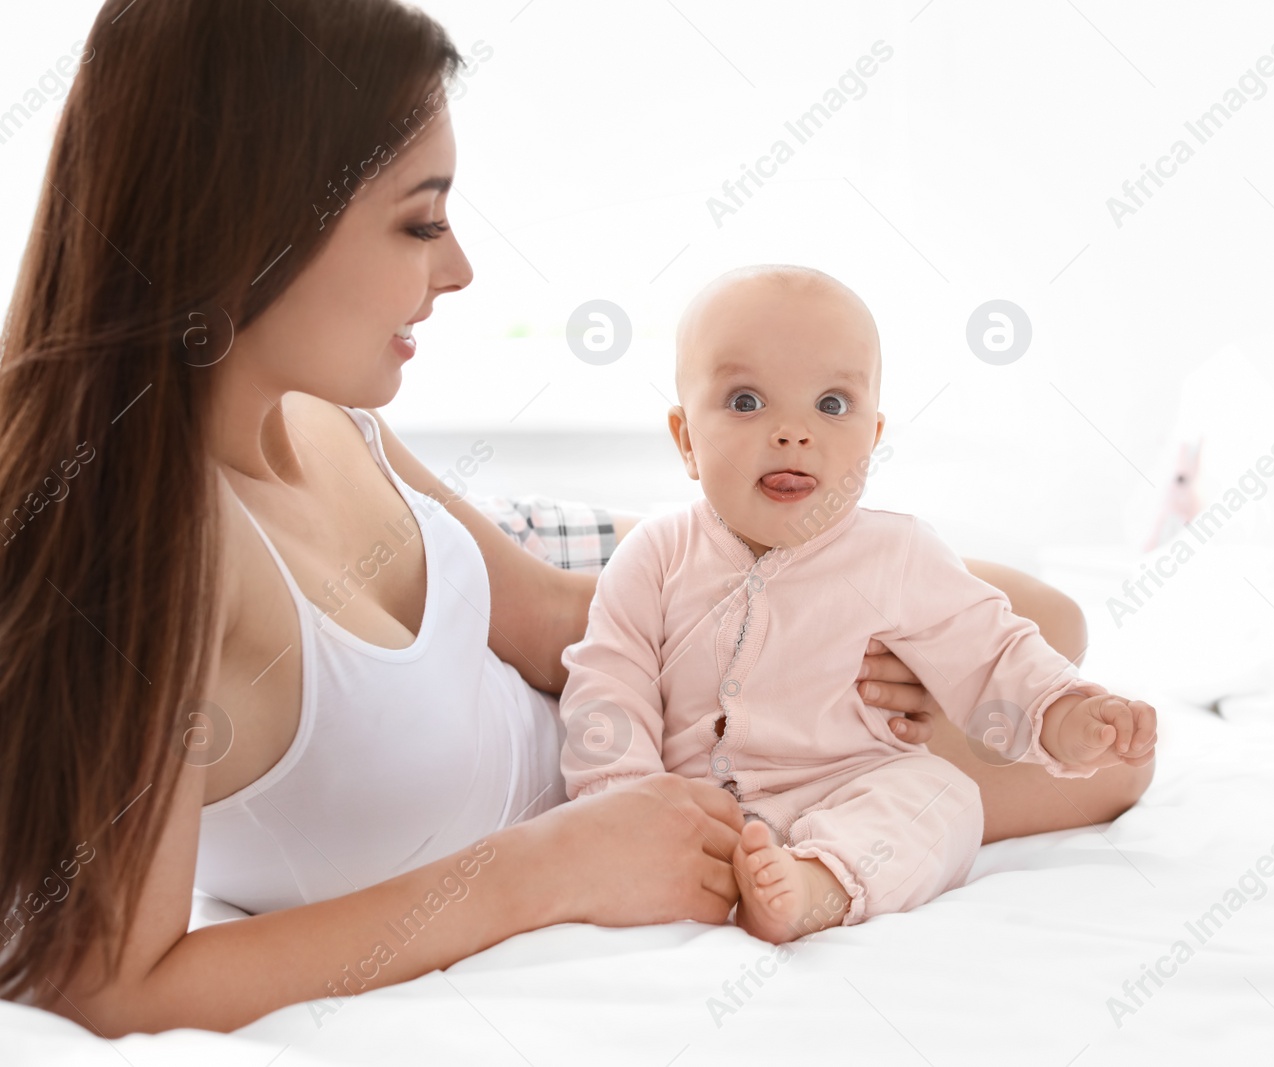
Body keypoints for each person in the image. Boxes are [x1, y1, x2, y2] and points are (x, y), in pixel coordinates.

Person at [0, 0, 1152, 1036]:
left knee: (1052, 639)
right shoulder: (157, 557)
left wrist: (825, 621)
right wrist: (541, 871)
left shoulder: (321, 416)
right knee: (1080, 761)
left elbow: (551, 615)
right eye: (418, 221)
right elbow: (111, 983)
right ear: (250, 219)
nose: (458, 270)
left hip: (644, 719)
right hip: (634, 794)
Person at [559, 265, 1157, 943]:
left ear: (872, 438)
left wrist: (1064, 711)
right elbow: (608, 690)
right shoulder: (655, 555)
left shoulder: (898, 555)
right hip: (692, 814)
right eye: (747, 401)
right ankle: (713, 864)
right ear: (686, 438)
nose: (792, 431)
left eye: (832, 405)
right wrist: (628, 810)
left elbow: (992, 652)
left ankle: (822, 883)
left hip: (849, 789)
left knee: (943, 796)